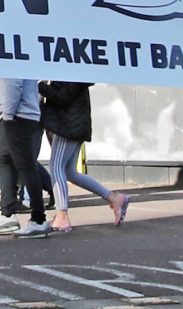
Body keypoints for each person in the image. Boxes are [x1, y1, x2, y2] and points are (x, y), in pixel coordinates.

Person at [38, 80, 130, 231]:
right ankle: (114, 198)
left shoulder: (72, 72)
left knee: (56, 167)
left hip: (67, 125)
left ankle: (62, 216)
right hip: (74, 124)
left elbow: (64, 97)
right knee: (69, 172)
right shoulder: (77, 71)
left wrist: (41, 86)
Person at [0, 77, 49, 236]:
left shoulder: (9, 56)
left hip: (16, 116)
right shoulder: (7, 56)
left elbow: (14, 84)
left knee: (24, 164)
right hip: (17, 114)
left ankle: (37, 219)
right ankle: (9, 213)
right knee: (0, 158)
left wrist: (7, 115)